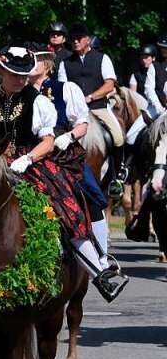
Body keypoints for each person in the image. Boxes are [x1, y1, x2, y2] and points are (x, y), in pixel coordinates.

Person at [0, 45, 127, 302]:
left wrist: (27, 158)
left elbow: (48, 141)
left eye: (23, 75)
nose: (19, 80)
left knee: (67, 207)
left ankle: (98, 269)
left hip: (32, 164)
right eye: (13, 74)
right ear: (0, 71)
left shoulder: (38, 101)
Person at [29, 46, 115, 274]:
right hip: (30, 154)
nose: (29, 64)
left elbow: (83, 124)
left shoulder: (65, 89)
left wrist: (70, 136)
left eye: (34, 60)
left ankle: (102, 258)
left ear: (46, 64)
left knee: (93, 196)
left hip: (63, 153)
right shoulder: (19, 91)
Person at [58, 23, 127, 196]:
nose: (75, 42)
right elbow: (62, 87)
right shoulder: (65, 63)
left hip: (98, 108)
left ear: (87, 40)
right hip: (74, 112)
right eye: (72, 39)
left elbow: (109, 84)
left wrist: (90, 97)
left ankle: (117, 177)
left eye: (78, 39)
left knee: (118, 137)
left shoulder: (102, 58)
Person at [130, 44, 166, 118]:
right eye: (142, 57)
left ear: (153, 58)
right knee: (135, 129)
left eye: (146, 57)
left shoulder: (159, 68)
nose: (143, 60)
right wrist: (159, 108)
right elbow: (147, 90)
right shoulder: (136, 75)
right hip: (152, 106)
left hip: (161, 104)